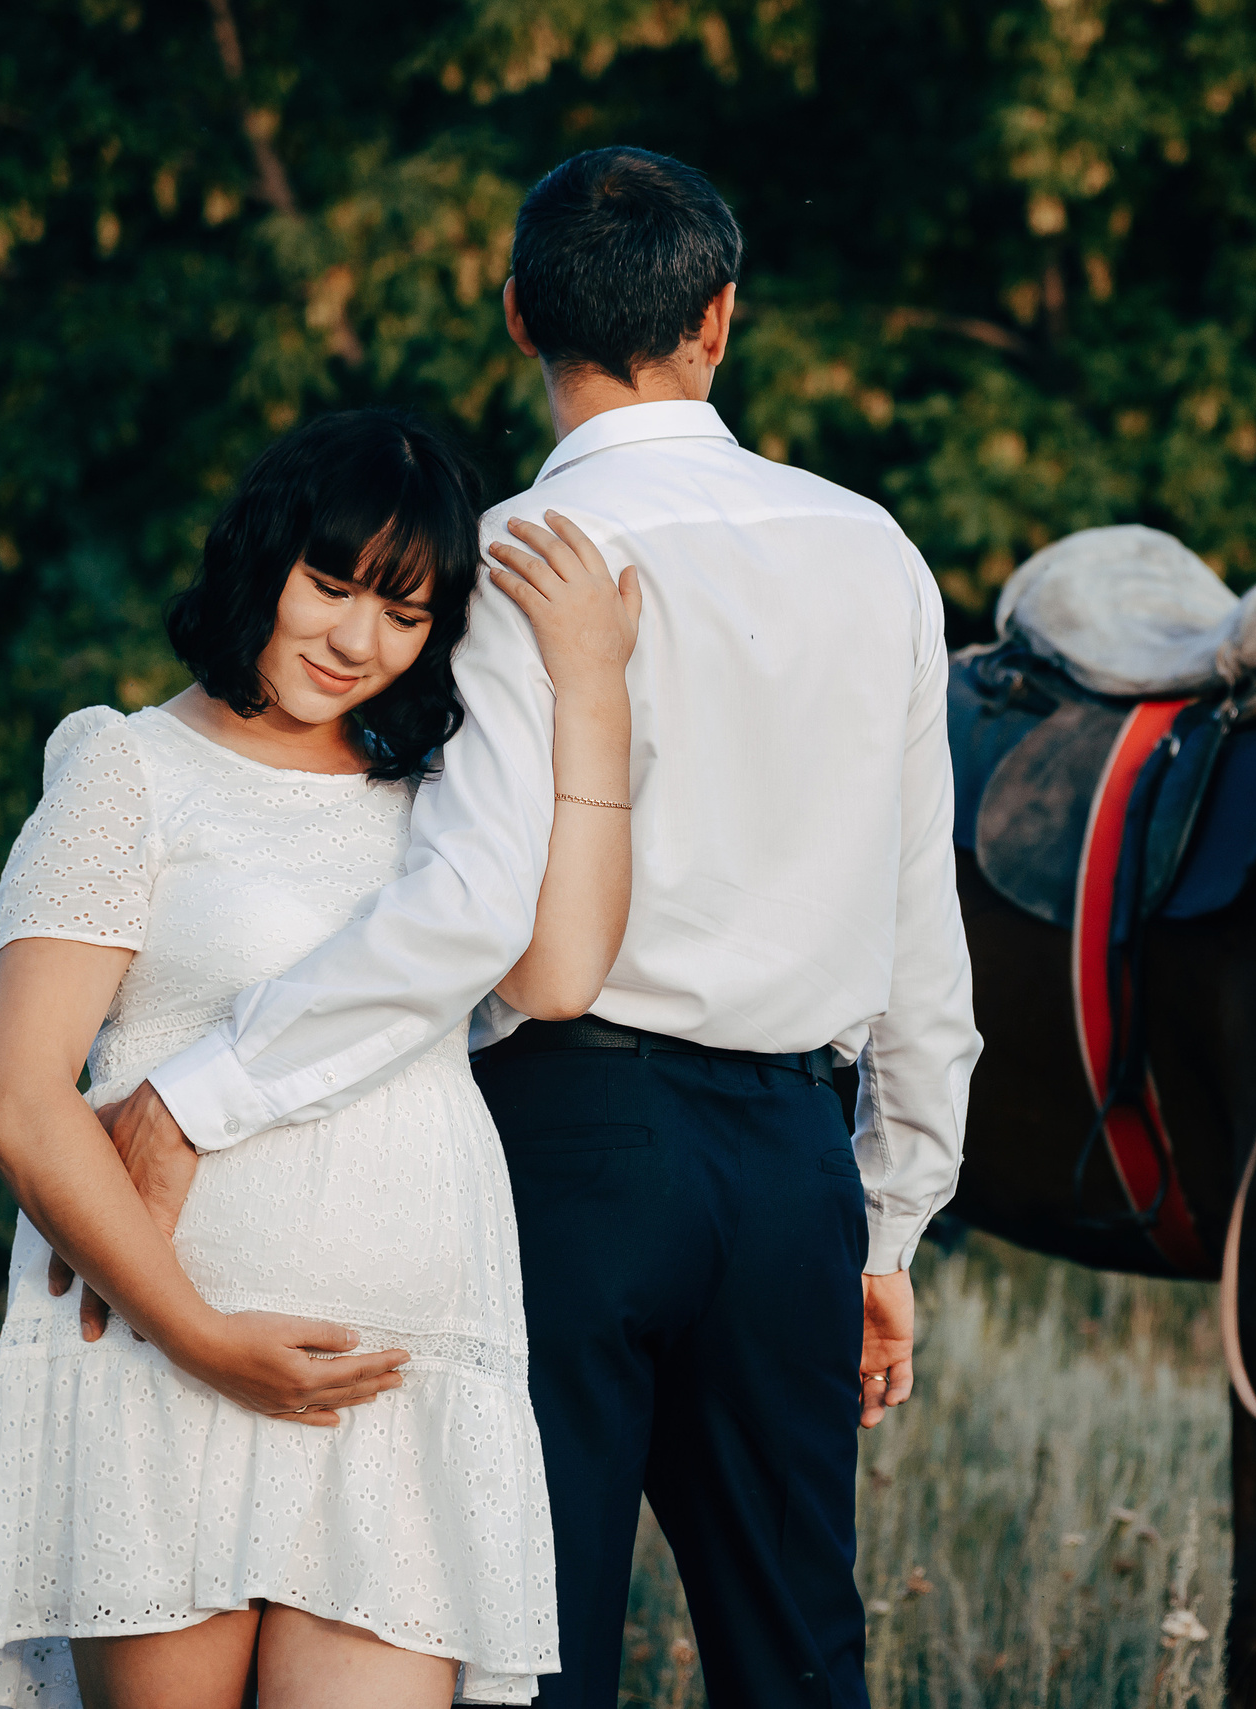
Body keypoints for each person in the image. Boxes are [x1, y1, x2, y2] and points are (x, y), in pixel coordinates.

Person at [87, 146, 981, 1708]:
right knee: (800, 1656)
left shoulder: (506, 559)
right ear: (719, 321)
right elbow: (926, 941)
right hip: (792, 1163)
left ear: (519, 315)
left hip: (569, 1144)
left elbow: (471, 911)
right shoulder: (876, 552)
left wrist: (200, 1090)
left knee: (529, 1645)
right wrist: (888, 1221)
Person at [0, 408, 645, 1708]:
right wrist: (200, 1338)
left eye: (403, 613)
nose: (358, 639)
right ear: (264, 555)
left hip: (392, 1384)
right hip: (161, 1367)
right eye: (332, 583)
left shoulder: (442, 798)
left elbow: (560, 971)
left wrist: (590, 688)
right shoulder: (130, 769)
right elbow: (13, 1091)